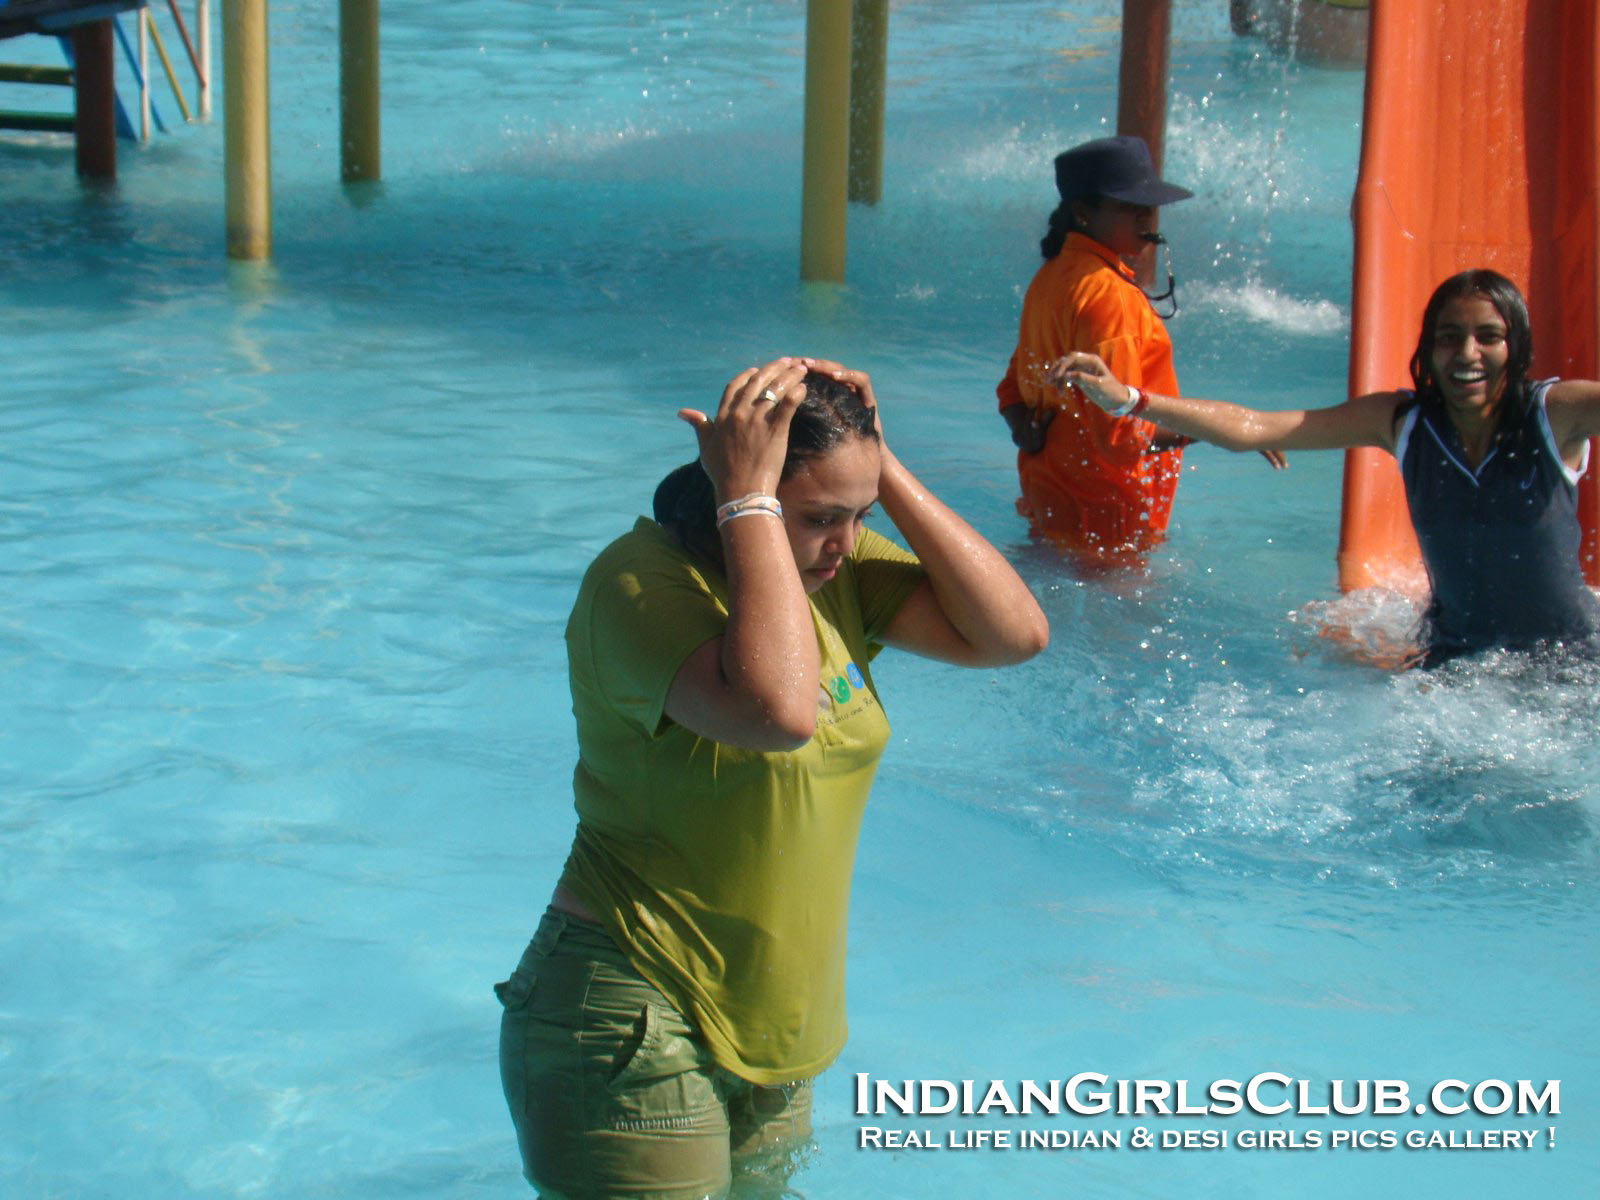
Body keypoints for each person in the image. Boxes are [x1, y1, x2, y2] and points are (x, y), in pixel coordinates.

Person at [496, 357, 1048, 1198]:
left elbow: (1013, 636)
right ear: (740, 488)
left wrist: (880, 465)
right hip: (631, 1012)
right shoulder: (638, 584)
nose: (844, 540)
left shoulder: (832, 573)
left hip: (776, 1031)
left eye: (856, 518)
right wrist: (747, 497)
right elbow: (777, 714)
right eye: (821, 516)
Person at [1053, 268, 1600, 665]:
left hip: (1565, 660)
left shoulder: (1555, 416)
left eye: (1489, 337)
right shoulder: (1402, 421)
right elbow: (1257, 427)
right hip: (1454, 659)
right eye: (1449, 337)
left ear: (1517, 345)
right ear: (1428, 351)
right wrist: (1128, 398)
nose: (1467, 354)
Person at [997, 135, 1284, 564]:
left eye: (1147, 206)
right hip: (1109, 523)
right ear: (1082, 213)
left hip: (1048, 502)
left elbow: (1012, 391)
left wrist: (1025, 427)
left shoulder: (1051, 278)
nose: (1145, 215)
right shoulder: (1111, 296)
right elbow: (1119, 438)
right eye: (1128, 206)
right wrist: (1215, 426)